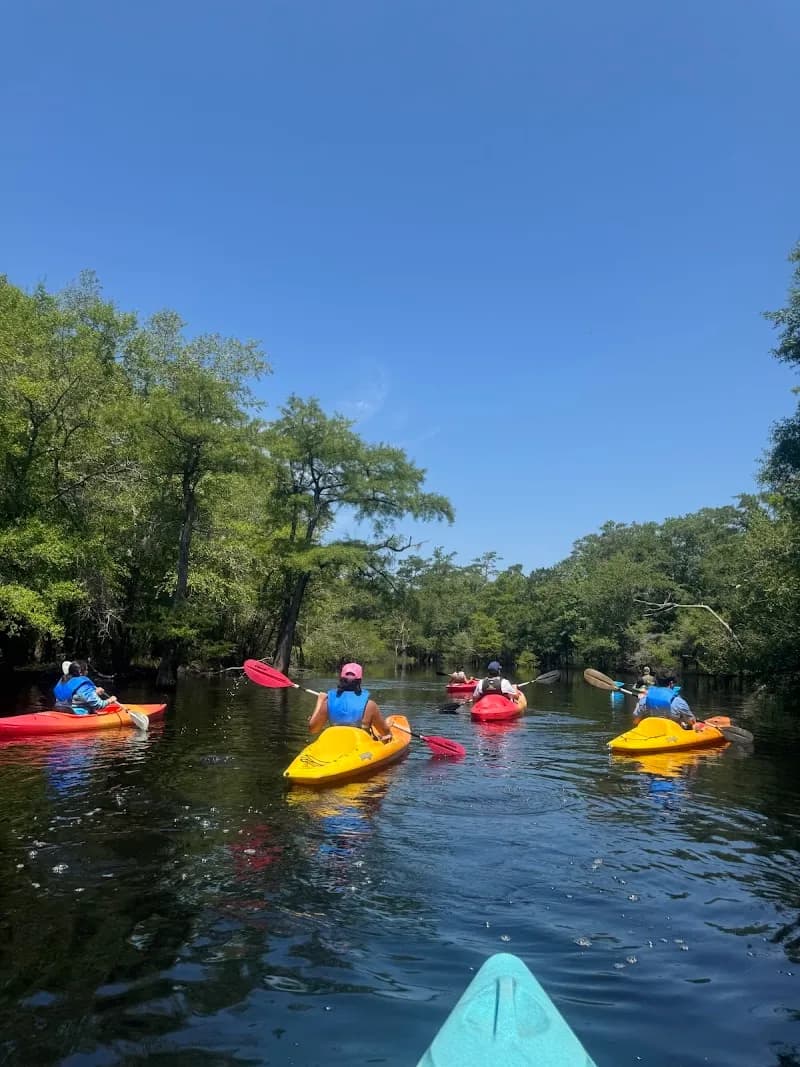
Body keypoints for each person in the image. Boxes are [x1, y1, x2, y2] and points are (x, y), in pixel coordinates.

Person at [308, 663, 394, 742]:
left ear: (341, 679)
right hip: (359, 748)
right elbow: (385, 733)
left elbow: (313, 729)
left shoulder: (328, 702)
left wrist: (320, 701)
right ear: (360, 681)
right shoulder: (370, 705)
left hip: (335, 744)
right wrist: (387, 730)